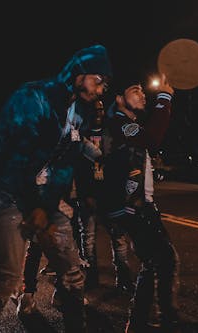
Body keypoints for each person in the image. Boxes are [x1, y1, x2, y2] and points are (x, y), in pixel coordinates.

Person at [0, 44, 113, 332]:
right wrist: (34, 208)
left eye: (105, 85)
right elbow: (11, 159)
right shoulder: (32, 96)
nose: (102, 90)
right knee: (8, 276)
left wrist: (46, 207)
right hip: (8, 194)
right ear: (79, 72)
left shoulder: (77, 112)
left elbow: (65, 163)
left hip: (42, 198)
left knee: (73, 273)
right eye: (99, 81)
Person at [102, 77, 181, 332]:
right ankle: (164, 319)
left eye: (141, 91)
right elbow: (152, 138)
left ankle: (141, 321)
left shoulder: (128, 125)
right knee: (164, 258)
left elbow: (148, 140)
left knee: (158, 260)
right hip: (131, 207)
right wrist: (165, 99)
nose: (142, 94)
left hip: (140, 204)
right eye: (134, 91)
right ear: (118, 99)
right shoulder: (117, 122)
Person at [74, 99, 134, 292]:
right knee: (88, 240)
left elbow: (119, 163)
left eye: (101, 108)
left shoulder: (112, 133)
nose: (98, 112)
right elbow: (78, 169)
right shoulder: (81, 136)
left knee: (118, 237)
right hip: (89, 195)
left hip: (111, 194)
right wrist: (85, 194)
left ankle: (124, 277)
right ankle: (92, 279)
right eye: (94, 109)